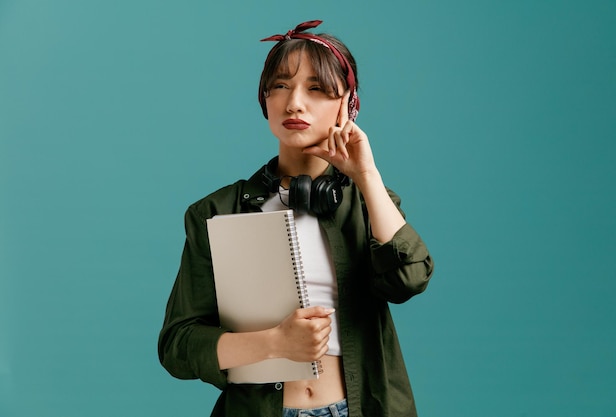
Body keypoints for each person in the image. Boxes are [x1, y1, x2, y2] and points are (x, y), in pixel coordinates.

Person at [158, 20, 434, 417]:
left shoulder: (369, 203)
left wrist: (366, 175)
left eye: (317, 88)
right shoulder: (217, 213)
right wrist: (274, 343)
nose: (294, 103)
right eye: (280, 86)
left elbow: (410, 278)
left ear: (347, 104)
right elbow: (178, 346)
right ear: (265, 99)